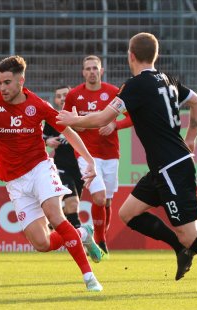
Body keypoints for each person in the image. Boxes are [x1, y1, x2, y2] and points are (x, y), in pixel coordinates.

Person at [57, 32, 197, 296]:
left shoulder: (135, 85)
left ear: (131, 56)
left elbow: (101, 119)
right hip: (164, 167)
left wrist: (72, 120)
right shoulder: (168, 80)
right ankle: (179, 247)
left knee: (190, 234)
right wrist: (191, 139)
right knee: (128, 213)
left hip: (172, 167)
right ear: (156, 55)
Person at [0, 55, 104, 292]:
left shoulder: (38, 106)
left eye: (7, 82)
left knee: (55, 216)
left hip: (39, 168)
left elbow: (68, 132)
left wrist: (89, 160)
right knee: (42, 243)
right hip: (14, 181)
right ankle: (82, 233)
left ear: (21, 81)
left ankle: (89, 277)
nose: (2, 88)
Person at [63, 55, 132, 257]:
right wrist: (78, 124)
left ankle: (101, 237)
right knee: (99, 198)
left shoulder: (113, 93)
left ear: (101, 71)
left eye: (95, 68)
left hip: (111, 155)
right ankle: (99, 241)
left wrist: (114, 124)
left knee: (107, 202)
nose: (92, 72)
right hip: (86, 155)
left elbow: (132, 118)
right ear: (83, 72)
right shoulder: (74, 95)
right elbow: (64, 122)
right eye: (88, 69)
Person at [43, 85, 85, 229]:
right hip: (60, 167)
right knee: (72, 203)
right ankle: (82, 241)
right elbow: (41, 137)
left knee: (71, 207)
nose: (62, 99)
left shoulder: (80, 116)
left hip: (80, 167)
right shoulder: (52, 119)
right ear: (55, 99)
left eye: (65, 95)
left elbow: (89, 133)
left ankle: (52, 226)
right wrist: (47, 141)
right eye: (59, 96)